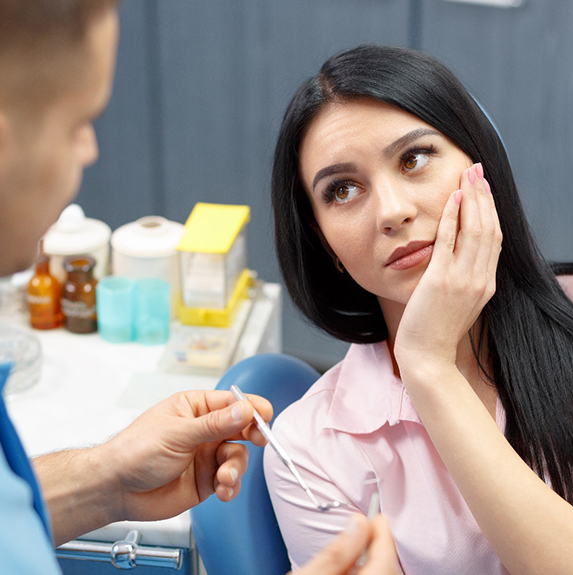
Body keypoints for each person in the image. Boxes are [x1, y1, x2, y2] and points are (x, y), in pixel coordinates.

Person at [0, 2, 396, 573]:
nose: (89, 150)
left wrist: (104, 479)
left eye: (414, 158)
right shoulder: (316, 449)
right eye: (77, 122)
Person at [264, 44, 573, 575]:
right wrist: (426, 363)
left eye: (413, 158)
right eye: (342, 190)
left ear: (482, 163)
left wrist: (428, 362)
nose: (392, 211)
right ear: (325, 246)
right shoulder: (310, 454)